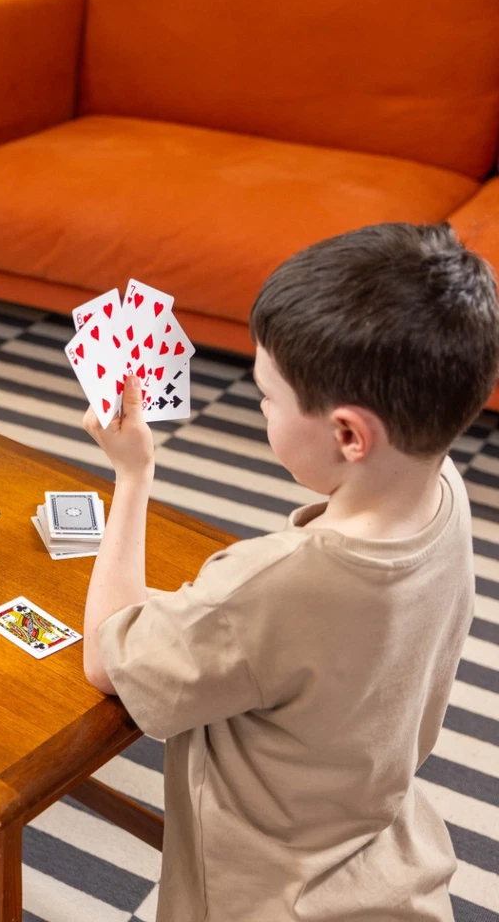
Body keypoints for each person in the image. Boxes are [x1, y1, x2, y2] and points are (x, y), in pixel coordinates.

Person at [81, 223, 499, 921]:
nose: (262, 410)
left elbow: (107, 651)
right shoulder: (444, 489)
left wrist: (133, 473)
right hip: (384, 853)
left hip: (265, 897)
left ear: (347, 435)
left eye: (266, 398)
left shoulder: (272, 583)